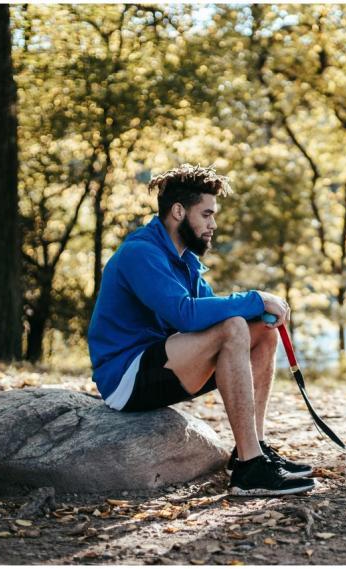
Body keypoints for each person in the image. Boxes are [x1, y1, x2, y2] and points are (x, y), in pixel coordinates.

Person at [88, 164, 315, 496]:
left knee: (261, 332)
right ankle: (250, 470)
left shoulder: (185, 261)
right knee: (235, 326)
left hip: (164, 364)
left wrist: (258, 313)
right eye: (206, 214)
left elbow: (210, 318)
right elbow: (187, 316)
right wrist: (257, 299)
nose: (213, 225)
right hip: (126, 377)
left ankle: (252, 451)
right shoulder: (141, 252)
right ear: (178, 211)